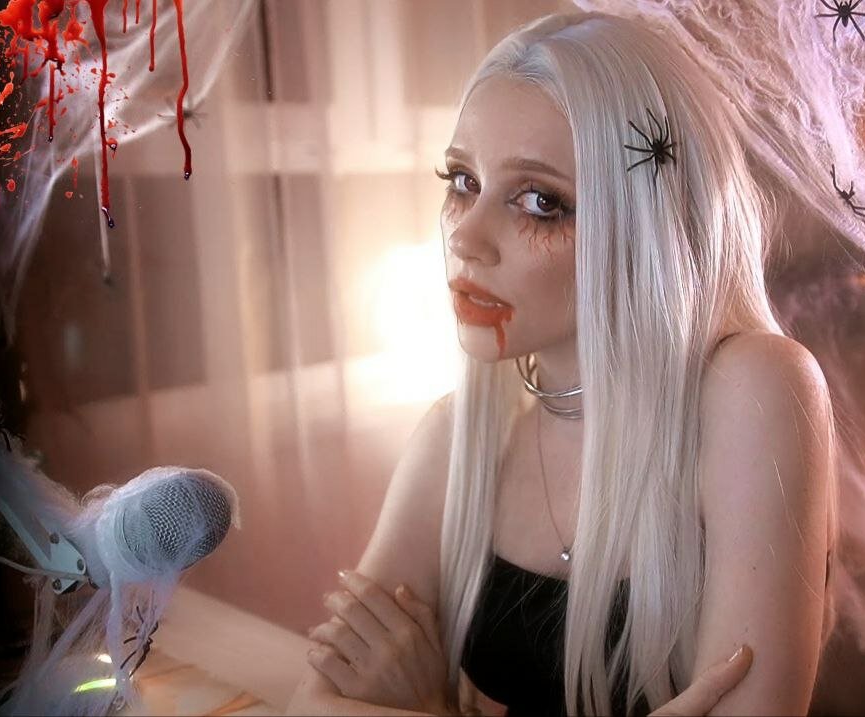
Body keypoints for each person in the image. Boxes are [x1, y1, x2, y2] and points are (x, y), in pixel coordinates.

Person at [287, 9, 837, 717]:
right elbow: (312, 704)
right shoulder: (458, 439)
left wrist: (426, 706)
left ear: (647, 223)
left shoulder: (755, 387)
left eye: (540, 201)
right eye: (462, 180)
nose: (466, 238)